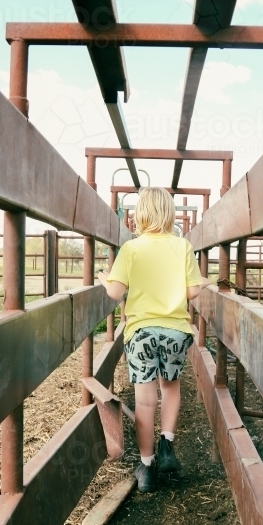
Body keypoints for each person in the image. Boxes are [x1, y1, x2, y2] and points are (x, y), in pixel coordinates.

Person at [97, 187, 206, 492]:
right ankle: (168, 447)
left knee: (145, 401)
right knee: (170, 389)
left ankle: (146, 468)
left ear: (139, 214)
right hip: (175, 331)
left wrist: (107, 281)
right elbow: (193, 291)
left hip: (142, 332)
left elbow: (116, 293)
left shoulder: (131, 250)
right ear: (170, 213)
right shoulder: (183, 246)